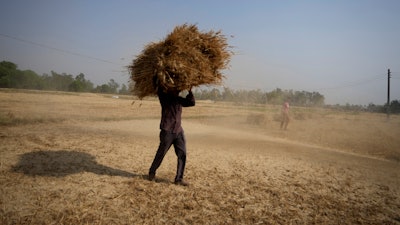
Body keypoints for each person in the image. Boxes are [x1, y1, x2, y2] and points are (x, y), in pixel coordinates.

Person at [148, 87, 195, 186]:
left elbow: (191, 103)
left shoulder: (179, 99)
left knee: (182, 154)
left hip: (178, 131)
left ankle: (179, 179)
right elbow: (159, 89)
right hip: (167, 131)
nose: (178, 90)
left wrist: (190, 91)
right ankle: (152, 172)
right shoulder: (165, 98)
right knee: (161, 153)